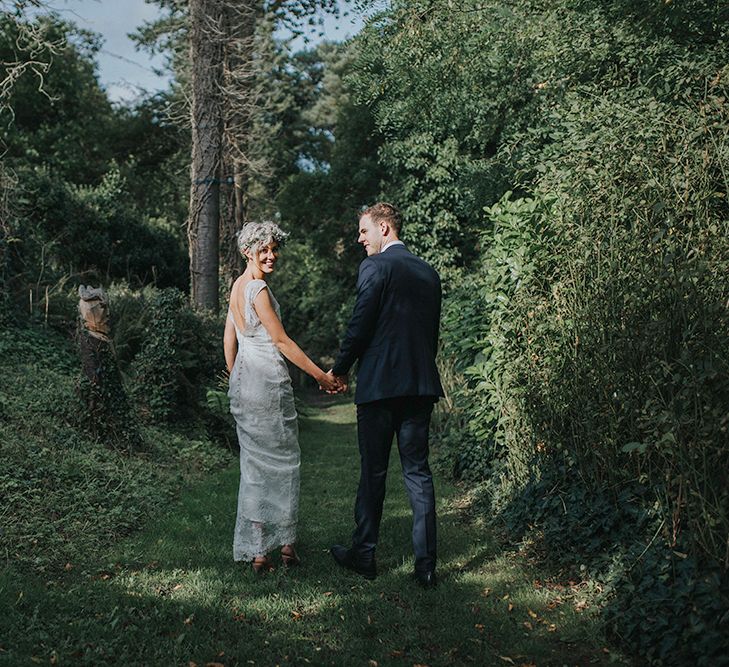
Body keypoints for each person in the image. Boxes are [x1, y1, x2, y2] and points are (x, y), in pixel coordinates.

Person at [328, 203, 444, 588]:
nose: (360, 240)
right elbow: (430, 335)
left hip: (379, 387)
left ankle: (365, 555)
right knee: (418, 473)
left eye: (363, 232)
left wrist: (339, 368)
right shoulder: (429, 272)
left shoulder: (375, 267)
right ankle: (426, 567)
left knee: (373, 471)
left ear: (383, 228)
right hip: (420, 385)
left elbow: (360, 323)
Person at [224, 221, 340, 573]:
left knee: (255, 467)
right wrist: (321, 375)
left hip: (245, 383)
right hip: (268, 384)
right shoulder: (257, 288)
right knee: (284, 463)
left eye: (274, 249)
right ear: (248, 252)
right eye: (265, 250)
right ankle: (286, 547)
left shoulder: (236, 287)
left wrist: (235, 375)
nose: (272, 255)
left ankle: (260, 552)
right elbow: (281, 341)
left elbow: (229, 338)